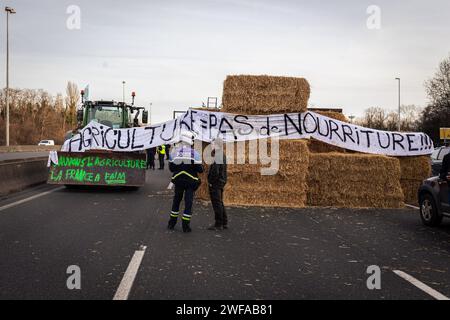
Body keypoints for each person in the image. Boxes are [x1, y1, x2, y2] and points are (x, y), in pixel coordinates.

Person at [168, 132, 203, 233]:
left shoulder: (174, 153)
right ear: (191, 142)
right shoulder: (195, 154)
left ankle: (171, 223)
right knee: (188, 204)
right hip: (190, 182)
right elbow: (200, 170)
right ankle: (185, 226)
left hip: (178, 181)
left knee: (176, 202)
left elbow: (171, 168)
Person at [207, 138, 228, 230]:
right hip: (221, 181)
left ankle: (218, 224)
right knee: (220, 202)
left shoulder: (218, 155)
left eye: (212, 144)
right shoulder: (221, 154)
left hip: (216, 182)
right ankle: (224, 222)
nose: (211, 146)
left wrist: (211, 181)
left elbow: (215, 171)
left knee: (217, 203)